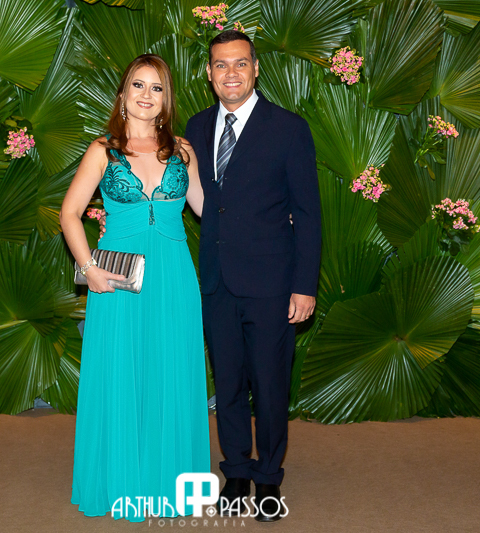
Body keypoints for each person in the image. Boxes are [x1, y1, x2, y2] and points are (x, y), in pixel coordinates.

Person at [59, 54, 210, 523]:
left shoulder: (183, 151)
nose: (147, 95)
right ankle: (121, 482)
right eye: (138, 86)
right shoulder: (102, 150)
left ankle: (168, 483)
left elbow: (209, 210)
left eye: (157, 88)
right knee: (121, 374)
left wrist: (267, 220)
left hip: (174, 279)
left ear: (166, 99)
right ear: (123, 94)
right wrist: (89, 268)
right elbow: (69, 214)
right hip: (118, 280)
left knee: (171, 372)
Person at [183, 30, 321, 522]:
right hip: (217, 281)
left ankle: (268, 479)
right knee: (228, 382)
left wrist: (304, 286)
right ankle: (237, 472)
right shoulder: (196, 127)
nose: (231, 73)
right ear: (209, 73)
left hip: (272, 285)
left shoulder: (288, 129)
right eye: (221, 65)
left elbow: (308, 214)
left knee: (269, 385)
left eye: (240, 63)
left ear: (256, 69)